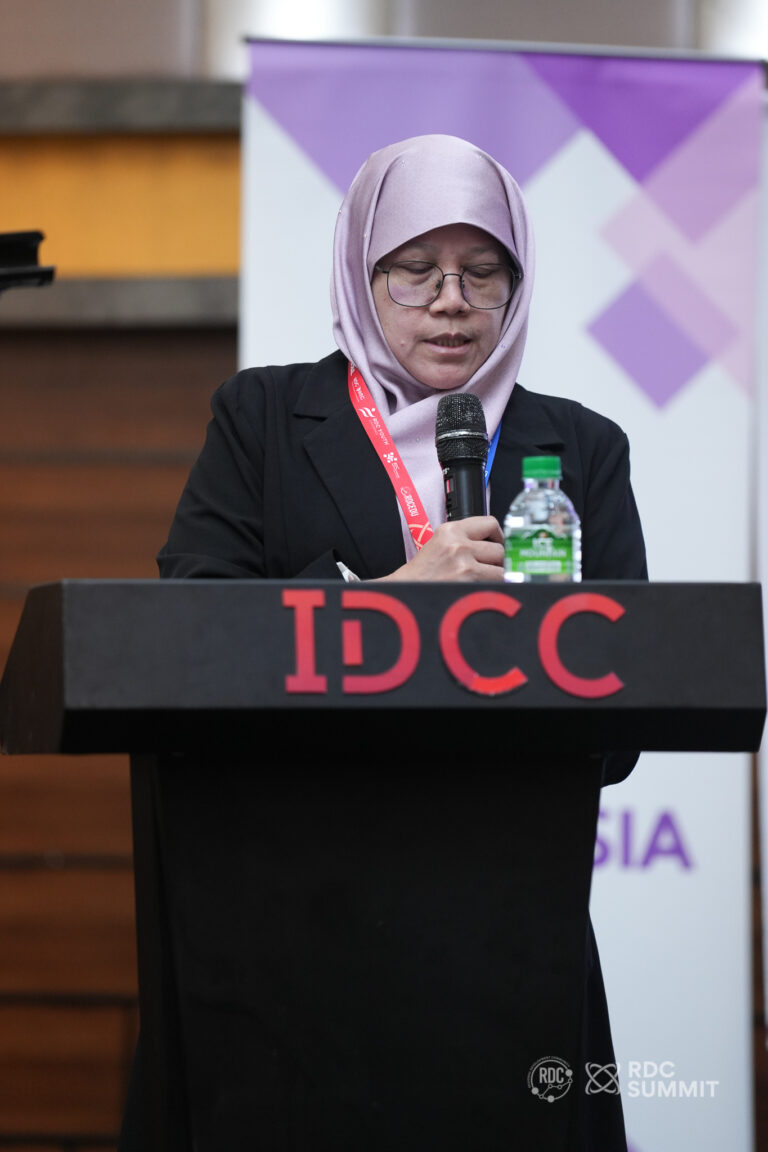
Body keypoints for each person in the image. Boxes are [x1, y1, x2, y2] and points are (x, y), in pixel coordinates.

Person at [134, 135, 646, 1152]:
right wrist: (393, 602)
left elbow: (628, 710)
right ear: (362, 276)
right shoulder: (264, 419)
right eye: (415, 271)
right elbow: (193, 618)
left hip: (506, 926)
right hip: (295, 925)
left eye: (482, 273)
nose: (450, 303)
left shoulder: (581, 448)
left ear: (516, 287)